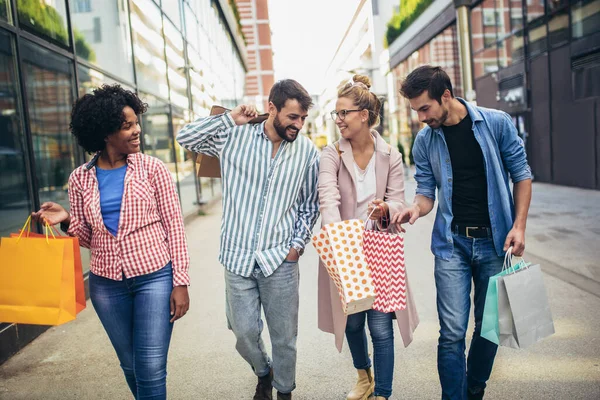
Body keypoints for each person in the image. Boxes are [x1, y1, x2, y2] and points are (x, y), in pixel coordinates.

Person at [32, 84, 190, 400]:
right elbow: (89, 238)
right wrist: (65, 219)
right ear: (105, 134)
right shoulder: (80, 178)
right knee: (130, 366)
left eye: (136, 122)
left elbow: (175, 227)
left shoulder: (153, 169)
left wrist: (180, 282)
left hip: (155, 278)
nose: (136, 131)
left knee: (150, 368)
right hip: (107, 287)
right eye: (126, 126)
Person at [392, 65, 532, 400]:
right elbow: (426, 193)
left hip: (495, 242)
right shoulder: (425, 140)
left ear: (446, 96)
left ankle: (474, 388)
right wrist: (415, 208)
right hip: (452, 244)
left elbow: (522, 174)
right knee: (452, 332)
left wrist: (519, 225)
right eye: (415, 111)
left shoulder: (495, 123)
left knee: (490, 329)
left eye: (425, 108)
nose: (421, 117)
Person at [176, 79, 320, 400]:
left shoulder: (308, 152)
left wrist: (296, 247)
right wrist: (229, 118)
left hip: (280, 259)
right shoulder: (233, 136)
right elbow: (184, 136)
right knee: (243, 333)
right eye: (292, 117)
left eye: (302, 119)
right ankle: (262, 371)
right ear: (272, 108)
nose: (298, 125)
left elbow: (310, 204)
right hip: (237, 256)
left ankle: (284, 390)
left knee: (285, 337)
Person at [318, 75, 419, 400]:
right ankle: (364, 376)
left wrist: (385, 209)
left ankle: (382, 394)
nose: (338, 119)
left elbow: (399, 199)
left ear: (364, 115)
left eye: (344, 113)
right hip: (345, 249)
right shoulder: (332, 154)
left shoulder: (390, 155)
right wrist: (339, 239)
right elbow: (328, 199)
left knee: (380, 327)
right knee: (350, 324)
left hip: (380, 249)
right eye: (337, 113)